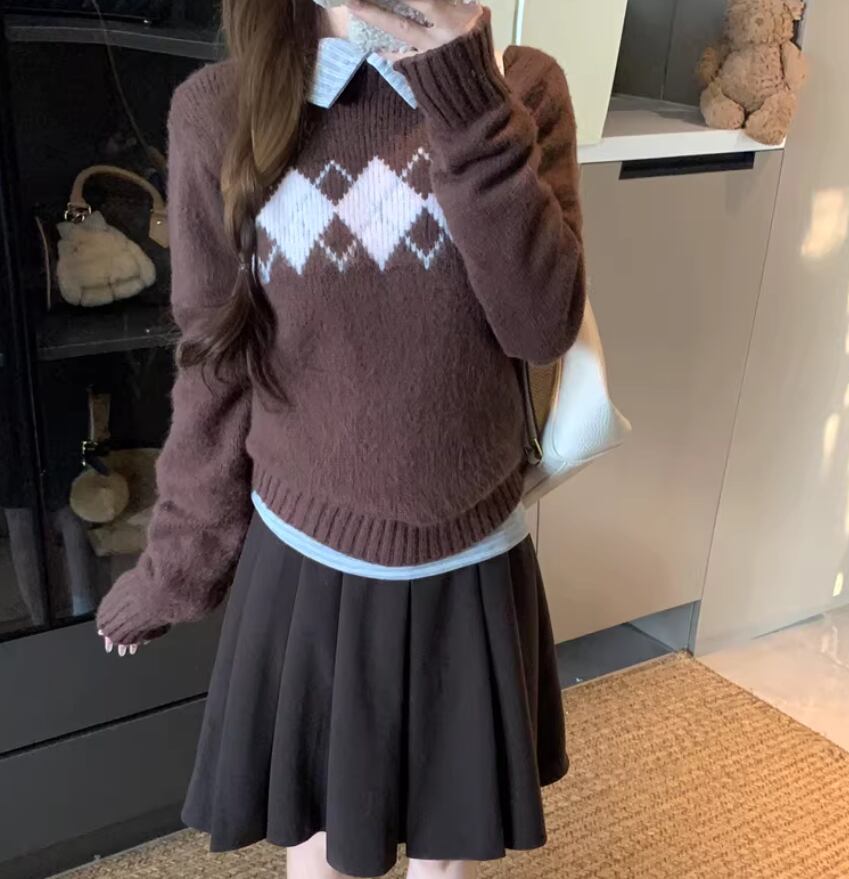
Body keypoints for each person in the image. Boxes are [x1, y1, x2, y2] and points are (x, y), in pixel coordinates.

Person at [96, 1, 585, 876]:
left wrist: (467, 98)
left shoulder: (522, 87)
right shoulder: (218, 111)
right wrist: (175, 569)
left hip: (472, 549)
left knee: (449, 843)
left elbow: (540, 326)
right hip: (307, 557)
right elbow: (214, 366)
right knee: (323, 848)